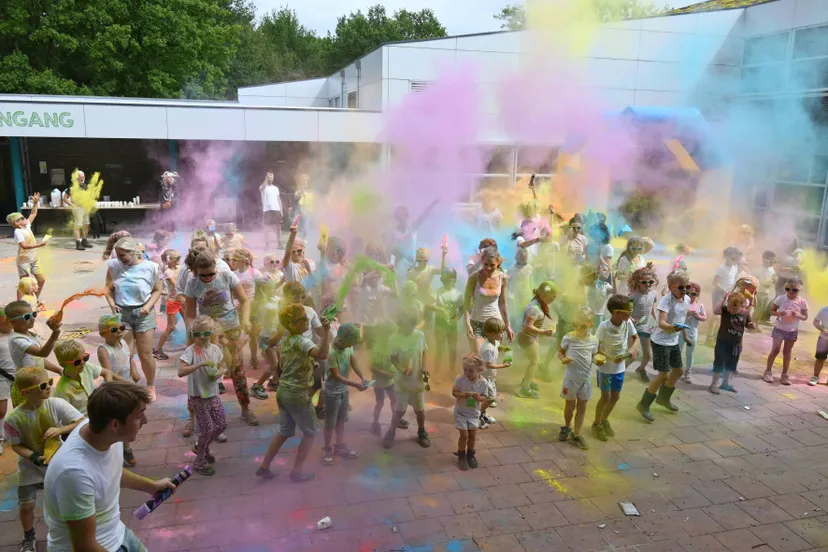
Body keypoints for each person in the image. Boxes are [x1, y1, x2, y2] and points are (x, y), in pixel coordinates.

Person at [44, 381, 176, 552]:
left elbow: (109, 470)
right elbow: (85, 547)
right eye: (138, 416)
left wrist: (151, 486)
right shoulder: (74, 473)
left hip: (116, 533)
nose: (145, 420)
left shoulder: (105, 436)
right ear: (115, 424)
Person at [5, 367, 84, 552]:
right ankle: (29, 536)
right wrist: (32, 456)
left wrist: (60, 430)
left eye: (50, 382)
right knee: (26, 505)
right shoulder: (13, 419)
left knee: (68, 499)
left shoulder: (55, 404)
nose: (49, 387)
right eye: (43, 385)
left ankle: (74, 532)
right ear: (26, 392)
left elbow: (81, 420)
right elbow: (16, 445)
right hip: (29, 466)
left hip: (58, 460)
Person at [257, 304, 331, 483]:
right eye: (304, 320)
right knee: (311, 432)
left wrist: (308, 364)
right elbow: (322, 354)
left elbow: (293, 361)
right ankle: (297, 471)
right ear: (293, 324)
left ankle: (264, 466)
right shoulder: (302, 341)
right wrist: (327, 332)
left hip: (283, 391)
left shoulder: (287, 340)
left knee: (284, 430)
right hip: (297, 394)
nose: (308, 321)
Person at [184, 249, 257, 425]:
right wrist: (192, 331)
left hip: (231, 328)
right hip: (206, 333)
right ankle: (195, 416)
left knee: (237, 370)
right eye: (203, 275)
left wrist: (246, 320)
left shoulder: (226, 276)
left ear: (216, 268)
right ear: (196, 271)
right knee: (203, 373)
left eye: (211, 274)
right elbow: (189, 313)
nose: (208, 278)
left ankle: (245, 409)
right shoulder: (192, 283)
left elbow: (245, 300)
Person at [104, 237, 162, 402]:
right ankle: (130, 385)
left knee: (145, 354)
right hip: (122, 313)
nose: (119, 258)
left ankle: (150, 385)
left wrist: (149, 306)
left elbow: (158, 290)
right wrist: (111, 304)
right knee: (126, 354)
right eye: (118, 254)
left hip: (144, 313)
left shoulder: (150, 267)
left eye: (123, 255)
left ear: (133, 252)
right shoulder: (114, 266)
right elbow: (108, 289)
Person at [636, 271, 691, 422]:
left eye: (687, 286)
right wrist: (673, 328)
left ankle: (663, 399)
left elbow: (682, 318)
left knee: (678, 371)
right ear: (671, 287)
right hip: (660, 341)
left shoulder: (686, 299)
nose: (685, 290)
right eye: (681, 287)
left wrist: (684, 336)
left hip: (673, 340)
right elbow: (662, 323)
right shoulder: (666, 301)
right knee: (663, 376)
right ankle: (643, 404)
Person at [178, 315, 226, 476]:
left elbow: (221, 366)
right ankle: (199, 462)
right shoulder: (190, 351)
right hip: (198, 397)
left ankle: (201, 447)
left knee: (221, 425)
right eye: (197, 334)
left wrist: (218, 374)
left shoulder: (215, 349)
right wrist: (199, 364)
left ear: (212, 332)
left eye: (206, 333)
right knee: (206, 429)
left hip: (212, 394)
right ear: (192, 334)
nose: (202, 337)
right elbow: (180, 371)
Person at [382, 309, 430, 449]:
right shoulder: (393, 339)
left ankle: (422, 432)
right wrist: (402, 369)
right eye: (406, 325)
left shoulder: (420, 335)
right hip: (402, 381)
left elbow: (424, 352)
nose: (409, 328)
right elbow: (394, 359)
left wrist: (424, 367)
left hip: (418, 381)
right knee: (400, 410)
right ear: (399, 323)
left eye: (411, 325)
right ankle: (391, 432)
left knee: (420, 410)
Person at [592, 295, 638, 442]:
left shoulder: (628, 323)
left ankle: (604, 419)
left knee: (615, 397)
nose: (631, 313)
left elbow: (635, 338)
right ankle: (596, 424)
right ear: (616, 312)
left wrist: (632, 350)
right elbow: (596, 346)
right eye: (628, 311)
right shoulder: (604, 326)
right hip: (606, 369)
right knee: (605, 397)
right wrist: (607, 357)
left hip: (619, 369)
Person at [322, 323, 368, 465]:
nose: (350, 347)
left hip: (343, 391)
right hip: (332, 393)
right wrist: (355, 385)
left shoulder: (347, 346)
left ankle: (339, 445)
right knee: (330, 423)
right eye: (350, 344)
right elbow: (336, 375)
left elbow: (353, 361)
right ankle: (327, 448)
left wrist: (362, 377)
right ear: (342, 340)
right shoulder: (331, 352)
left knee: (341, 420)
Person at [558, 309, 602, 450]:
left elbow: (594, 355)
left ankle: (576, 434)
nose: (579, 328)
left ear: (590, 325)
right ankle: (566, 426)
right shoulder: (569, 338)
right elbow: (561, 352)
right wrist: (563, 359)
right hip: (570, 379)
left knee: (582, 406)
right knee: (569, 405)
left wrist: (598, 360)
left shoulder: (594, 340)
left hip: (586, 379)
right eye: (576, 324)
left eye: (583, 325)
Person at [7, 301, 64, 407]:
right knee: (27, 419)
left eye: (33, 314)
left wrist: (58, 370)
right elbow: (42, 353)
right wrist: (55, 333)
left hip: (37, 383)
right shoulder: (17, 340)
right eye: (27, 316)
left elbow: (37, 359)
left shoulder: (31, 335)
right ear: (12, 322)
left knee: (42, 414)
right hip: (27, 388)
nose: (32, 318)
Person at [464, 247, 513, 353]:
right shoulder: (474, 277)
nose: (489, 268)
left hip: (496, 324)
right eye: (486, 264)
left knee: (491, 358)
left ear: (498, 264)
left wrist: (508, 326)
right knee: (479, 358)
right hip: (477, 323)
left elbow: (503, 304)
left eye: (492, 265)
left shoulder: (502, 278)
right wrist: (467, 325)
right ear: (481, 261)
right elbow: (466, 304)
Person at [516, 281, 557, 399]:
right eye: (552, 297)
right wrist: (543, 332)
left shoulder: (538, 302)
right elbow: (528, 326)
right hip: (527, 338)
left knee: (533, 362)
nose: (554, 299)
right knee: (535, 362)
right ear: (544, 296)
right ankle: (525, 389)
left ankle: (527, 380)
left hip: (530, 337)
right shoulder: (535, 308)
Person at [764, 279, 808, 385]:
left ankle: (784, 374)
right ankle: (768, 371)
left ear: (800, 289)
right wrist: (779, 313)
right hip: (779, 328)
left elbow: (805, 317)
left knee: (787, 352)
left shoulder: (802, 302)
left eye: (794, 290)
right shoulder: (780, 298)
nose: (791, 292)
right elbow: (771, 311)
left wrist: (798, 315)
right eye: (787, 289)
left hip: (792, 331)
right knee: (775, 350)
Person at [710, 292, 754, 394]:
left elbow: (748, 325)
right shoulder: (725, 310)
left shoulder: (745, 313)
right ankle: (714, 384)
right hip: (722, 342)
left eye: (735, 309)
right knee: (719, 363)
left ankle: (725, 383)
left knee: (731, 364)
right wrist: (723, 298)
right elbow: (715, 311)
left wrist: (752, 326)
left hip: (736, 344)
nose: (731, 310)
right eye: (730, 307)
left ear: (742, 306)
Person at [452, 354, 490, 470]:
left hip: (473, 414)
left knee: (472, 435)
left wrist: (479, 398)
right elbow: (454, 392)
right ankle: (461, 455)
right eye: (465, 370)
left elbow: (485, 397)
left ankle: (470, 454)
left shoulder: (483, 382)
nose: (467, 373)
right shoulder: (460, 379)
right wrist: (463, 395)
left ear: (479, 370)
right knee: (464, 435)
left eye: (471, 371)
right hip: (461, 413)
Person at [367, 322, 405, 436]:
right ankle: (375, 423)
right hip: (379, 382)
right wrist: (386, 373)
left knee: (394, 400)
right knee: (380, 402)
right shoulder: (378, 348)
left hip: (390, 380)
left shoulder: (391, 344)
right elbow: (372, 367)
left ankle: (395, 420)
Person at [7, 198, 47, 301]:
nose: (25, 218)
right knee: (23, 284)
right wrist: (39, 245)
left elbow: (33, 213)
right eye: (22, 218)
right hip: (24, 260)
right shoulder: (18, 232)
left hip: (33, 259)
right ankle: (21, 305)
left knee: (41, 280)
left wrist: (35, 203)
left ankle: (34, 300)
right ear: (17, 223)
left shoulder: (27, 226)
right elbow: (24, 246)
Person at [478, 317, 511, 427]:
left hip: (490, 377)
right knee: (490, 398)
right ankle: (478, 415)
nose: (502, 335)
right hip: (485, 377)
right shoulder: (487, 348)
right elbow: (488, 364)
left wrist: (505, 348)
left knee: (487, 397)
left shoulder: (494, 342)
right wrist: (503, 365)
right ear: (492, 334)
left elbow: (498, 346)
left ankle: (481, 413)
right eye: (501, 333)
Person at [706, 247, 742, 344]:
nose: (735, 261)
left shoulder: (735, 267)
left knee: (723, 316)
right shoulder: (722, 268)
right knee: (716, 316)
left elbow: (734, 280)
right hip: (719, 293)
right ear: (726, 257)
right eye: (733, 258)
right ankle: (709, 338)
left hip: (728, 294)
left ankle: (716, 336)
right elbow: (715, 283)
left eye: (737, 259)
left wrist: (734, 290)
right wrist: (725, 291)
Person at [628, 268, 658, 382]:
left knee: (648, 355)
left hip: (645, 328)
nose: (648, 284)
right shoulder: (633, 297)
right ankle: (618, 373)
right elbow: (627, 312)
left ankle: (641, 369)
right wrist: (631, 319)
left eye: (650, 282)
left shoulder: (653, 294)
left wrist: (658, 319)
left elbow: (652, 309)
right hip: (633, 329)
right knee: (632, 355)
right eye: (644, 282)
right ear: (638, 282)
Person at [433, 269, 464, 378]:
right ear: (442, 280)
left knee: (453, 349)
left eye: (449, 280)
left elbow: (461, 309)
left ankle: (451, 370)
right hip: (440, 323)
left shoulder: (458, 294)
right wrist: (440, 310)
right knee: (440, 348)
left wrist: (456, 319)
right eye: (445, 280)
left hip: (452, 323)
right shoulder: (437, 292)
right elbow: (429, 305)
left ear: (454, 280)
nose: (447, 282)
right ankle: (436, 372)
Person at [153, 249, 183, 360]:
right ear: (169, 260)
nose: (179, 260)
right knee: (170, 327)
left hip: (181, 299)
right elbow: (177, 285)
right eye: (177, 258)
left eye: (179, 257)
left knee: (190, 323)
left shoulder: (180, 268)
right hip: (173, 301)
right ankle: (157, 349)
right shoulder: (167, 272)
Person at [97, 315, 139, 383]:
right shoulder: (104, 350)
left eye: (121, 328)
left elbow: (129, 358)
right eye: (114, 329)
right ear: (102, 334)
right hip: (115, 385)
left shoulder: (123, 342)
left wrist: (134, 371)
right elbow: (108, 373)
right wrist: (124, 382)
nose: (119, 331)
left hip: (126, 382)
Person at [680, 283, 707, 384]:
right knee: (678, 351)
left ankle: (688, 373)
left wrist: (698, 316)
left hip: (692, 332)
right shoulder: (683, 302)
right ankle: (674, 371)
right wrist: (686, 314)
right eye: (688, 292)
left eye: (694, 293)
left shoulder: (700, 305)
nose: (691, 295)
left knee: (690, 354)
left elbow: (704, 317)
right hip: (681, 332)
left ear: (698, 294)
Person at [0, 306, 13, 454]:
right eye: (5, 321)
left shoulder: (16, 334)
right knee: (1, 410)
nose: (9, 323)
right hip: (2, 376)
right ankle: (0, 437)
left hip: (19, 376)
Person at [260, 171, 283, 249]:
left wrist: (281, 210)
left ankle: (279, 244)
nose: (271, 179)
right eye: (269, 177)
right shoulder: (263, 187)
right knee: (266, 228)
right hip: (267, 210)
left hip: (276, 209)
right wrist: (266, 179)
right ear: (266, 177)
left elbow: (278, 199)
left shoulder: (276, 188)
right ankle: (267, 244)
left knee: (278, 228)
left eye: (272, 177)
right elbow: (262, 188)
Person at [755, 250, 777, 324]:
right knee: (758, 308)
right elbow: (755, 279)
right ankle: (754, 322)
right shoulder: (759, 269)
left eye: (773, 262)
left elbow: (773, 277)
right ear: (764, 259)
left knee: (763, 308)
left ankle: (759, 321)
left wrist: (775, 279)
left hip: (768, 292)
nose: (772, 264)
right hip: (760, 291)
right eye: (770, 261)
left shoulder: (771, 269)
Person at [810, 304, 828, 386]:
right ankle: (815, 377)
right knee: (820, 358)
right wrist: (823, 330)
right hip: (823, 338)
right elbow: (815, 322)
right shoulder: (824, 310)